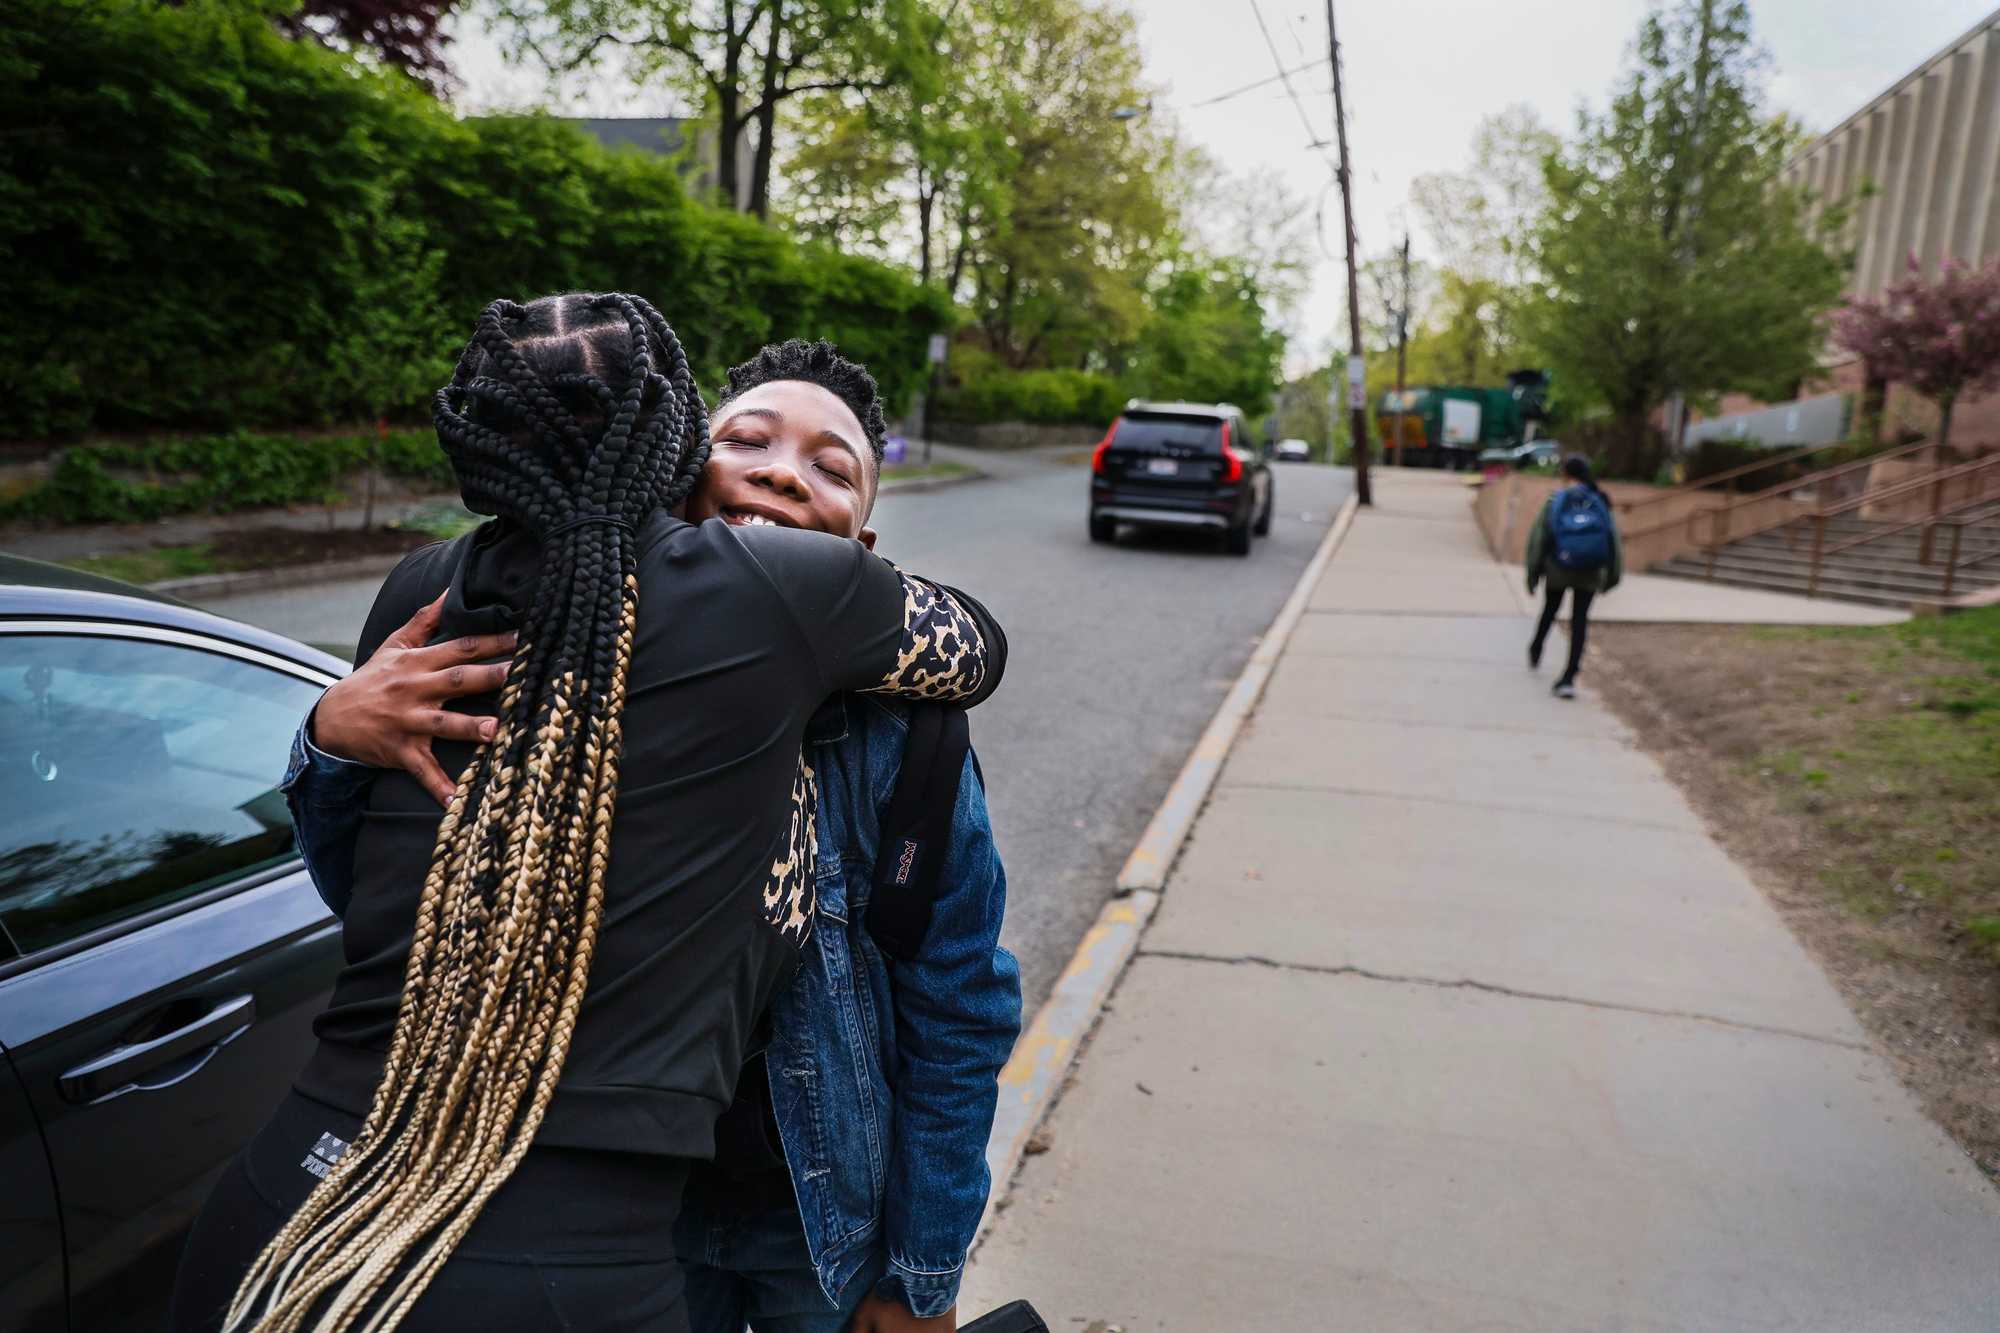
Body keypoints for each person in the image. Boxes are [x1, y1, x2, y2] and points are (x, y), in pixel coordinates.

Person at [169, 297, 1006, 1333]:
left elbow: (957, 1007)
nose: (785, 470)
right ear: (670, 468)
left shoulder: (899, 736)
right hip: (608, 1229)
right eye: (744, 439)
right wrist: (334, 735)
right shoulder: (497, 640)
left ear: (862, 546)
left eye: (832, 467)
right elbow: (375, 893)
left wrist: (920, 1272)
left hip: (809, 1223)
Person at [1525, 454, 1622, 699]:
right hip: (1590, 571)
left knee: (1550, 609)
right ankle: (1569, 676)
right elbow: (1613, 541)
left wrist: (1533, 574)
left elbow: (1539, 539)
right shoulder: (1600, 501)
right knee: (1579, 622)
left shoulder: (1556, 501)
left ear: (1566, 475)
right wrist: (1612, 576)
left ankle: (1537, 647)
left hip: (1559, 567)